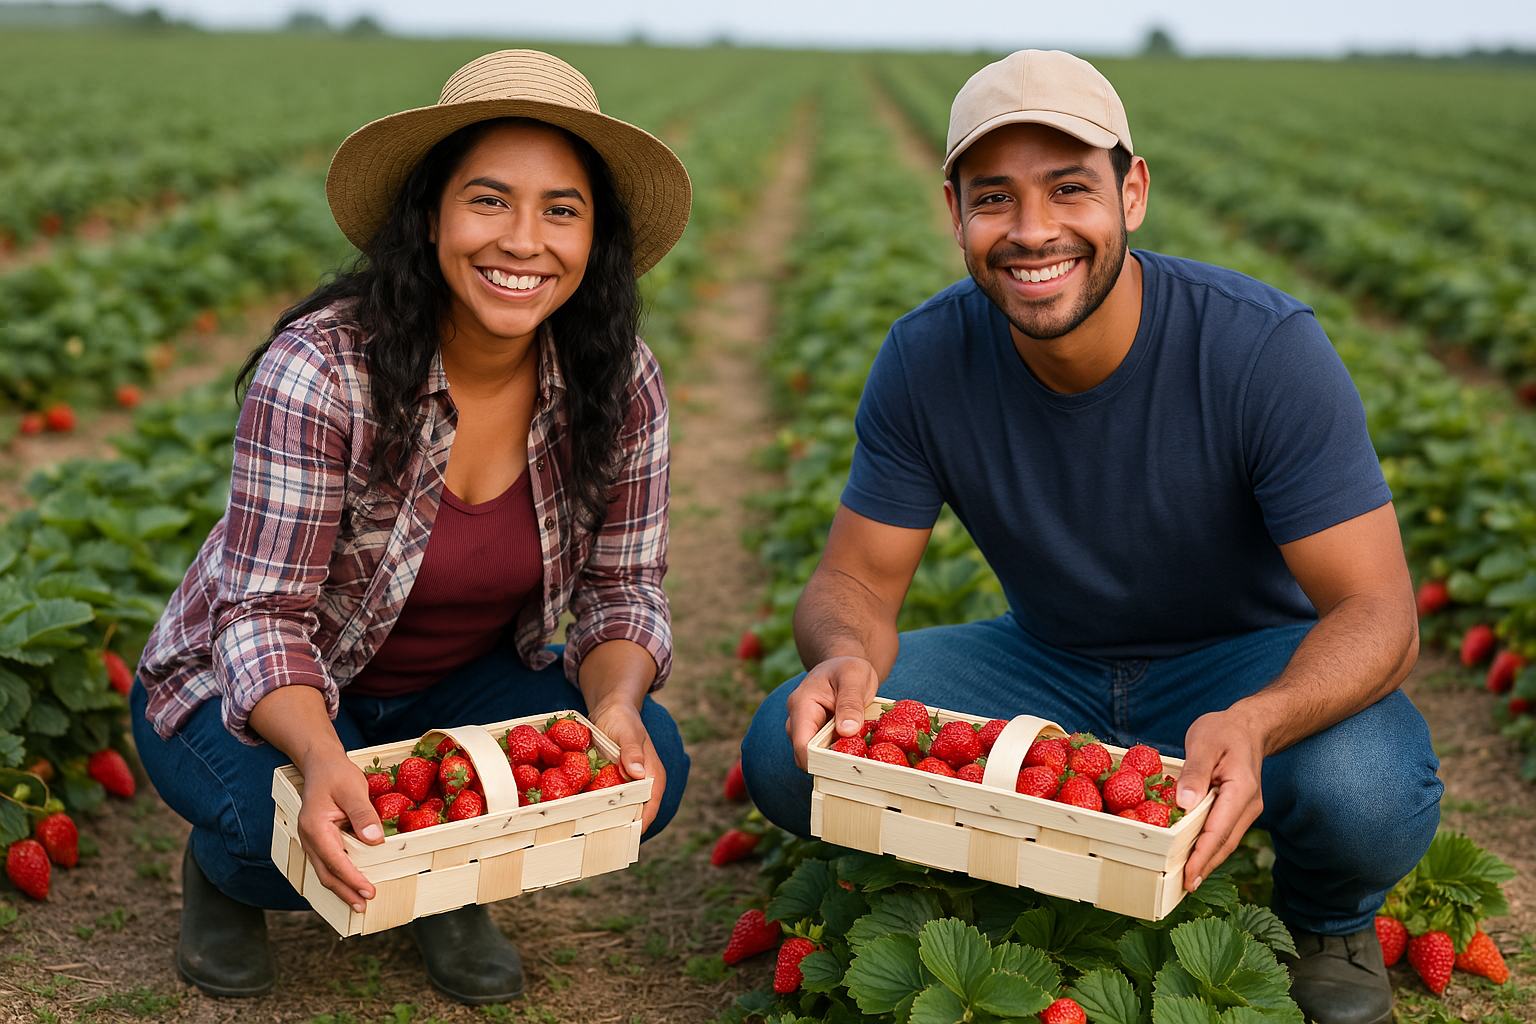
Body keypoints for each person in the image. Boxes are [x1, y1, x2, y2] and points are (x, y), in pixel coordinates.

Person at [740, 49, 1438, 1024]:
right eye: (995, 198)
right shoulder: (926, 357)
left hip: (1241, 666)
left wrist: (1259, 719)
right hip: (1048, 665)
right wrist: (848, 656)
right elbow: (853, 577)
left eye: (1070, 189)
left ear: (1133, 192)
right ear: (955, 213)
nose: (1033, 231)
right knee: (788, 743)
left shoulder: (1260, 349)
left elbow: (1381, 613)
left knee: (1362, 786)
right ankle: (1011, 862)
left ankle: (1326, 918)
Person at [131, 50, 693, 1006]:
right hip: (256, 685)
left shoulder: (616, 377)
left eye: (562, 209)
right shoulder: (325, 371)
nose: (524, 240)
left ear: (594, 238)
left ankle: (447, 883)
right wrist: (318, 760)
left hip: (451, 684)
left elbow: (620, 589)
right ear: (430, 215)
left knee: (651, 772)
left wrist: (615, 707)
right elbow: (262, 616)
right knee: (292, 851)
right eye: (488, 201)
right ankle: (226, 878)